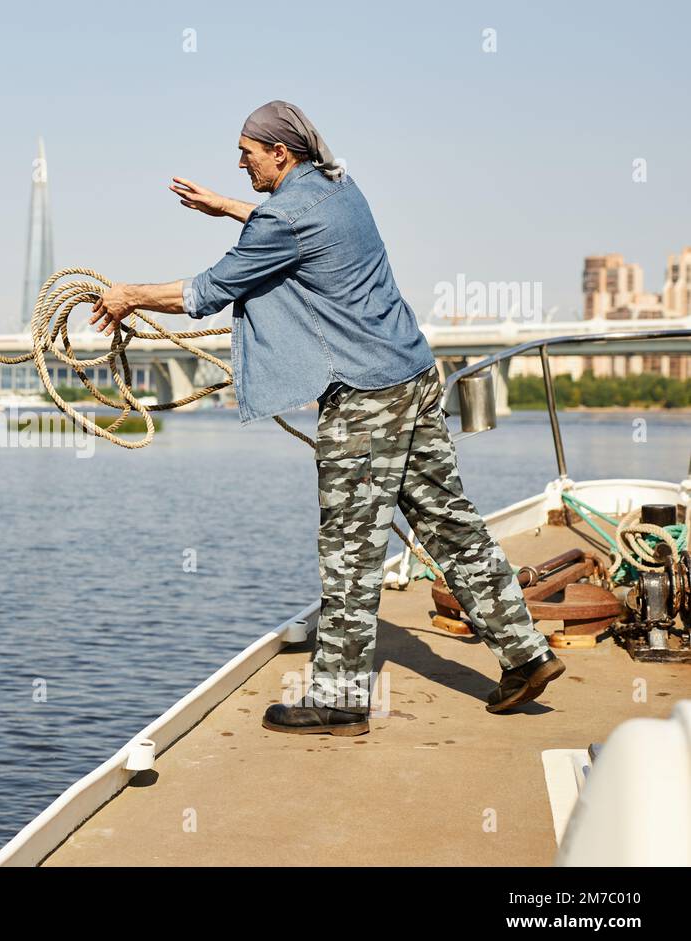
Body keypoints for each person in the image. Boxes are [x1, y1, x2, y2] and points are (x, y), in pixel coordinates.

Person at [88, 100, 564, 736]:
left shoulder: (284, 215)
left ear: (280, 154)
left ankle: (340, 698)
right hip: (413, 376)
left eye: (247, 154)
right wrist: (227, 205)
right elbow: (291, 225)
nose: (239, 162)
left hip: (366, 397)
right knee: (449, 524)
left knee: (348, 548)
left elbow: (206, 291)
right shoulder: (339, 186)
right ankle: (526, 653)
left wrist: (126, 297)